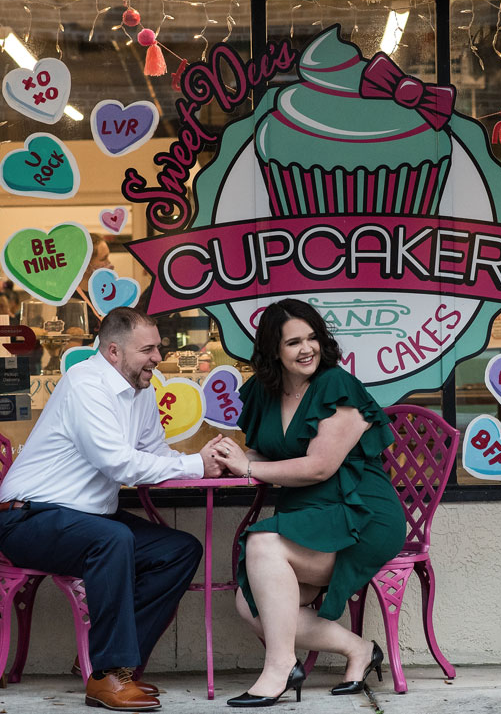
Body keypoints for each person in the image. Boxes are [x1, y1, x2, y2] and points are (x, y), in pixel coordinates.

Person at [0, 306, 223, 712]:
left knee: (179, 550)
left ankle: (121, 669)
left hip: (86, 518)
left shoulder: (141, 391)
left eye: (159, 348)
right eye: (148, 349)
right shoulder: (86, 384)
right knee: (112, 539)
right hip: (28, 517)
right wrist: (192, 465)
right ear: (114, 351)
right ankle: (107, 673)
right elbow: (117, 462)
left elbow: (153, 454)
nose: (157, 357)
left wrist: (211, 465)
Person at [209, 299, 404, 707]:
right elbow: (266, 456)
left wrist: (249, 469)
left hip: (361, 516)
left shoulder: (337, 386)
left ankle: (280, 667)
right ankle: (359, 650)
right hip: (310, 519)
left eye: (313, 337)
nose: (306, 349)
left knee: (262, 544)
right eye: (293, 341)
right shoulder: (266, 393)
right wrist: (226, 459)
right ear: (273, 351)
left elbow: (318, 466)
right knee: (250, 604)